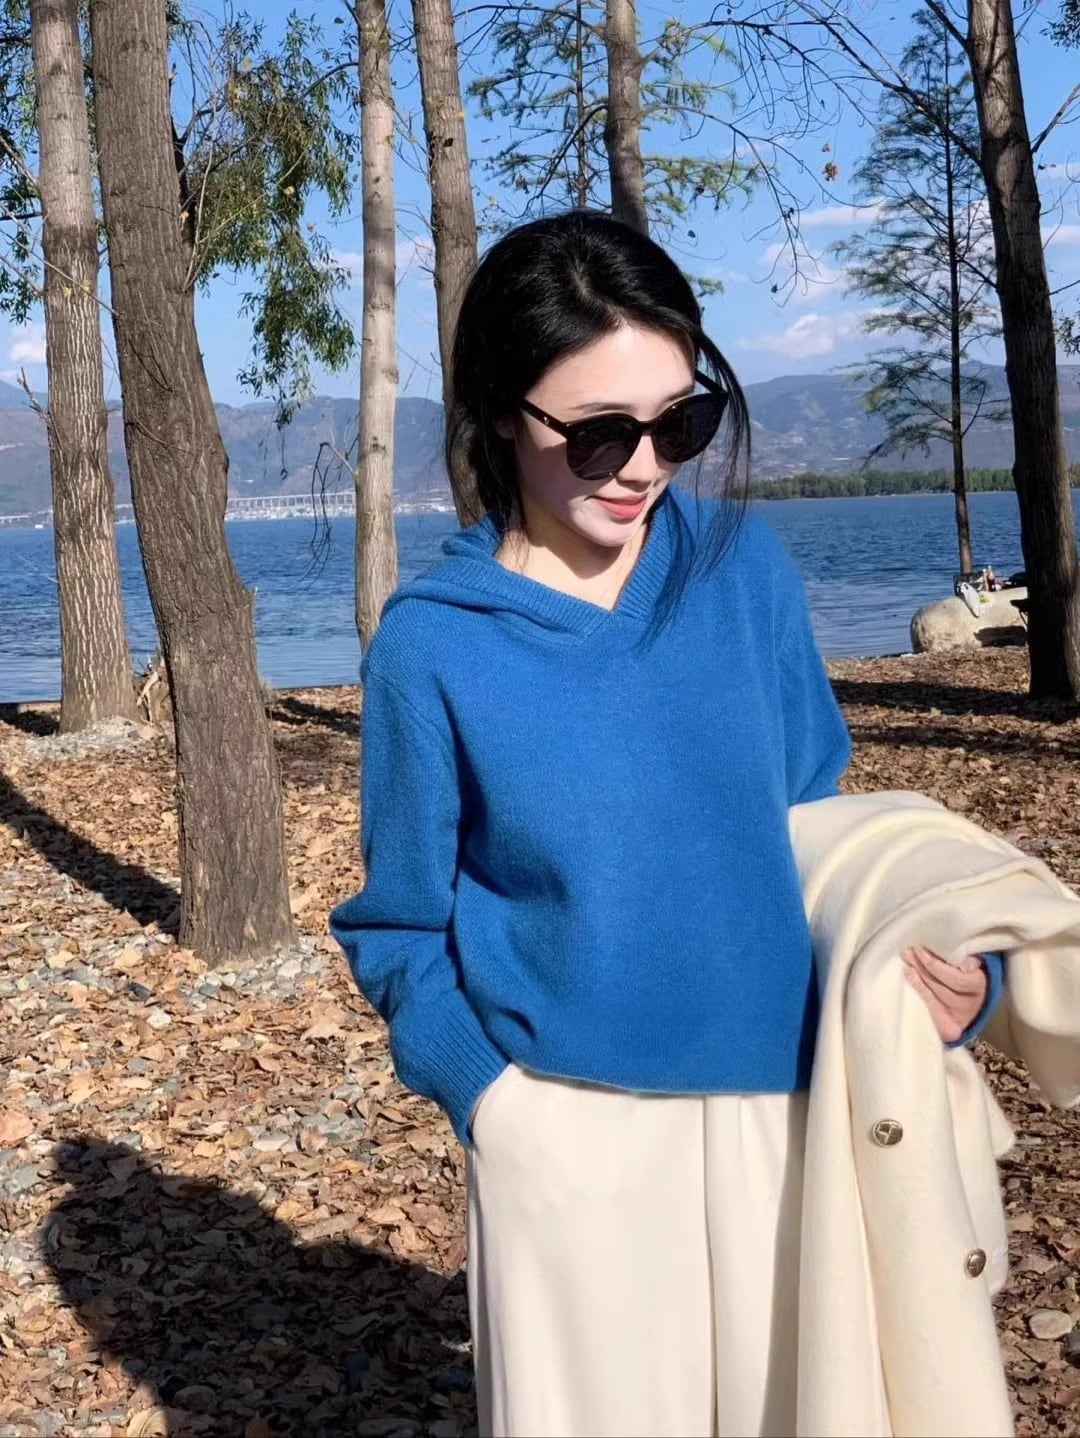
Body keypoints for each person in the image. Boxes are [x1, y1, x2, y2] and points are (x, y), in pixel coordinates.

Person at [330, 210, 1003, 1438]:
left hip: (798, 1122)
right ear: (500, 414)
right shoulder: (432, 647)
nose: (643, 466)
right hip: (568, 1147)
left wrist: (949, 972)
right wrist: (498, 1108)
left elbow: (825, 835)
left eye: (679, 423)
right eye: (598, 433)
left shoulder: (743, 570)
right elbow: (398, 928)